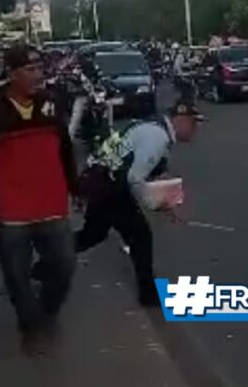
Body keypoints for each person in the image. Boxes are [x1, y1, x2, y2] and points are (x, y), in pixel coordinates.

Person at [0, 45, 78, 353]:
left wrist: (75, 187)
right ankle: (30, 328)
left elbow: (65, 150)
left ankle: (46, 311)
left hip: (52, 204)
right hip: (12, 210)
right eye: (30, 70)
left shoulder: (52, 105)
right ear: (12, 74)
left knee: (64, 265)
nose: (38, 75)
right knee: (17, 276)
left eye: (39, 68)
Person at [72, 101, 200, 306]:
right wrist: (153, 204)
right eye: (193, 124)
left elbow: (155, 173)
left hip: (100, 181)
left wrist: (169, 202)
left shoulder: (153, 129)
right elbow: (136, 178)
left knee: (92, 235)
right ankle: (148, 295)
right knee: (140, 236)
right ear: (181, 121)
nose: (196, 130)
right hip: (110, 187)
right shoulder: (157, 137)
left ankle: (48, 262)